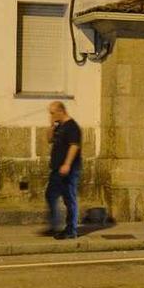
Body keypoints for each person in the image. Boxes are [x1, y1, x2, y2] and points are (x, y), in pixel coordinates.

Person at [46, 101, 82, 240]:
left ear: (61, 111)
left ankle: (71, 230)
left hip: (69, 169)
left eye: (52, 113)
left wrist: (67, 164)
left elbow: (74, 146)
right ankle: (55, 225)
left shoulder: (72, 127)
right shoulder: (59, 126)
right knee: (50, 195)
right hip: (56, 169)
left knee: (69, 198)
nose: (51, 115)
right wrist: (51, 126)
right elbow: (49, 140)